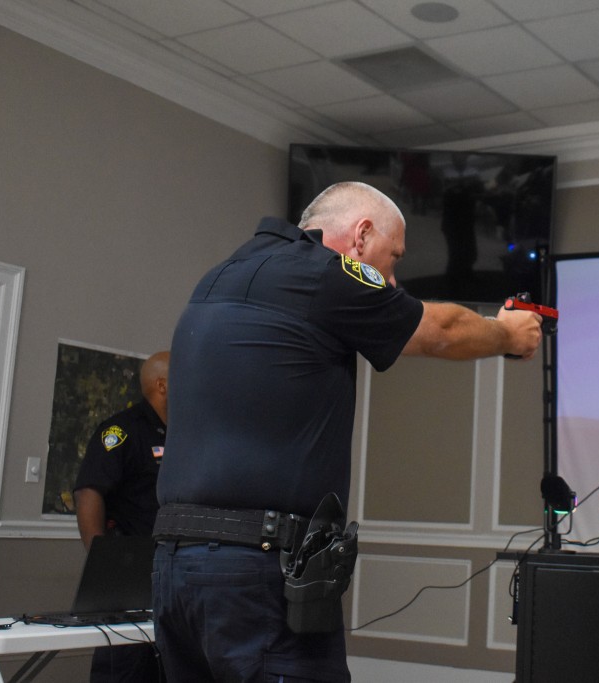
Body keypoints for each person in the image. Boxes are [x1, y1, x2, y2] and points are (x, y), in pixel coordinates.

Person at [152, 181, 542, 682]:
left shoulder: (218, 276)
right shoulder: (323, 272)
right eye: (393, 256)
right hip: (259, 569)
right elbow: (439, 331)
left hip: (174, 568)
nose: (394, 279)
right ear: (360, 237)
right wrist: (508, 333)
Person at [73, 350, 169, 683]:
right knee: (126, 670)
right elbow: (89, 492)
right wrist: (103, 561)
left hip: (175, 573)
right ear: (162, 385)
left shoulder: (189, 435)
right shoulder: (122, 430)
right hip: (129, 575)